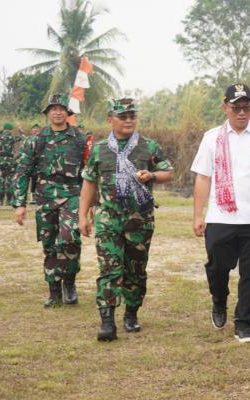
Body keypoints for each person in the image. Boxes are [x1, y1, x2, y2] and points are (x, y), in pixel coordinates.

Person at [191, 83, 250, 343]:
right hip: (221, 218)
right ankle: (219, 300)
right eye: (236, 108)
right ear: (225, 108)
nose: (242, 113)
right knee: (217, 267)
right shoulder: (212, 138)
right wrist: (198, 215)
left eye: (246, 108)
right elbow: (202, 178)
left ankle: (244, 323)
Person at [79, 98, 174, 342]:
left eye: (132, 115)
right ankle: (107, 319)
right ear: (111, 119)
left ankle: (131, 313)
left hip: (140, 219)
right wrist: (82, 216)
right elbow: (89, 182)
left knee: (136, 269)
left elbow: (169, 172)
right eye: (123, 116)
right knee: (109, 269)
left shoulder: (148, 146)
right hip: (108, 218)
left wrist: (151, 175)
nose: (129, 120)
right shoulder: (99, 149)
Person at [12, 94, 86, 308]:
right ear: (47, 113)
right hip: (45, 196)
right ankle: (54, 290)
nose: (57, 111)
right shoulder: (35, 141)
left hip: (73, 194)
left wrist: (91, 205)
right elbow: (22, 171)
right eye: (52, 108)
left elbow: (90, 173)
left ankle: (70, 283)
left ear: (67, 112)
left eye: (61, 108)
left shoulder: (79, 139)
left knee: (69, 238)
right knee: (49, 243)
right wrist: (20, 203)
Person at [0, 122, 18, 206]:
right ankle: (9, 200)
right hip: (10, 160)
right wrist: (21, 132)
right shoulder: (11, 137)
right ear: (9, 129)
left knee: (0, 179)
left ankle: (0, 200)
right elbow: (22, 137)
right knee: (10, 179)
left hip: (0, 160)